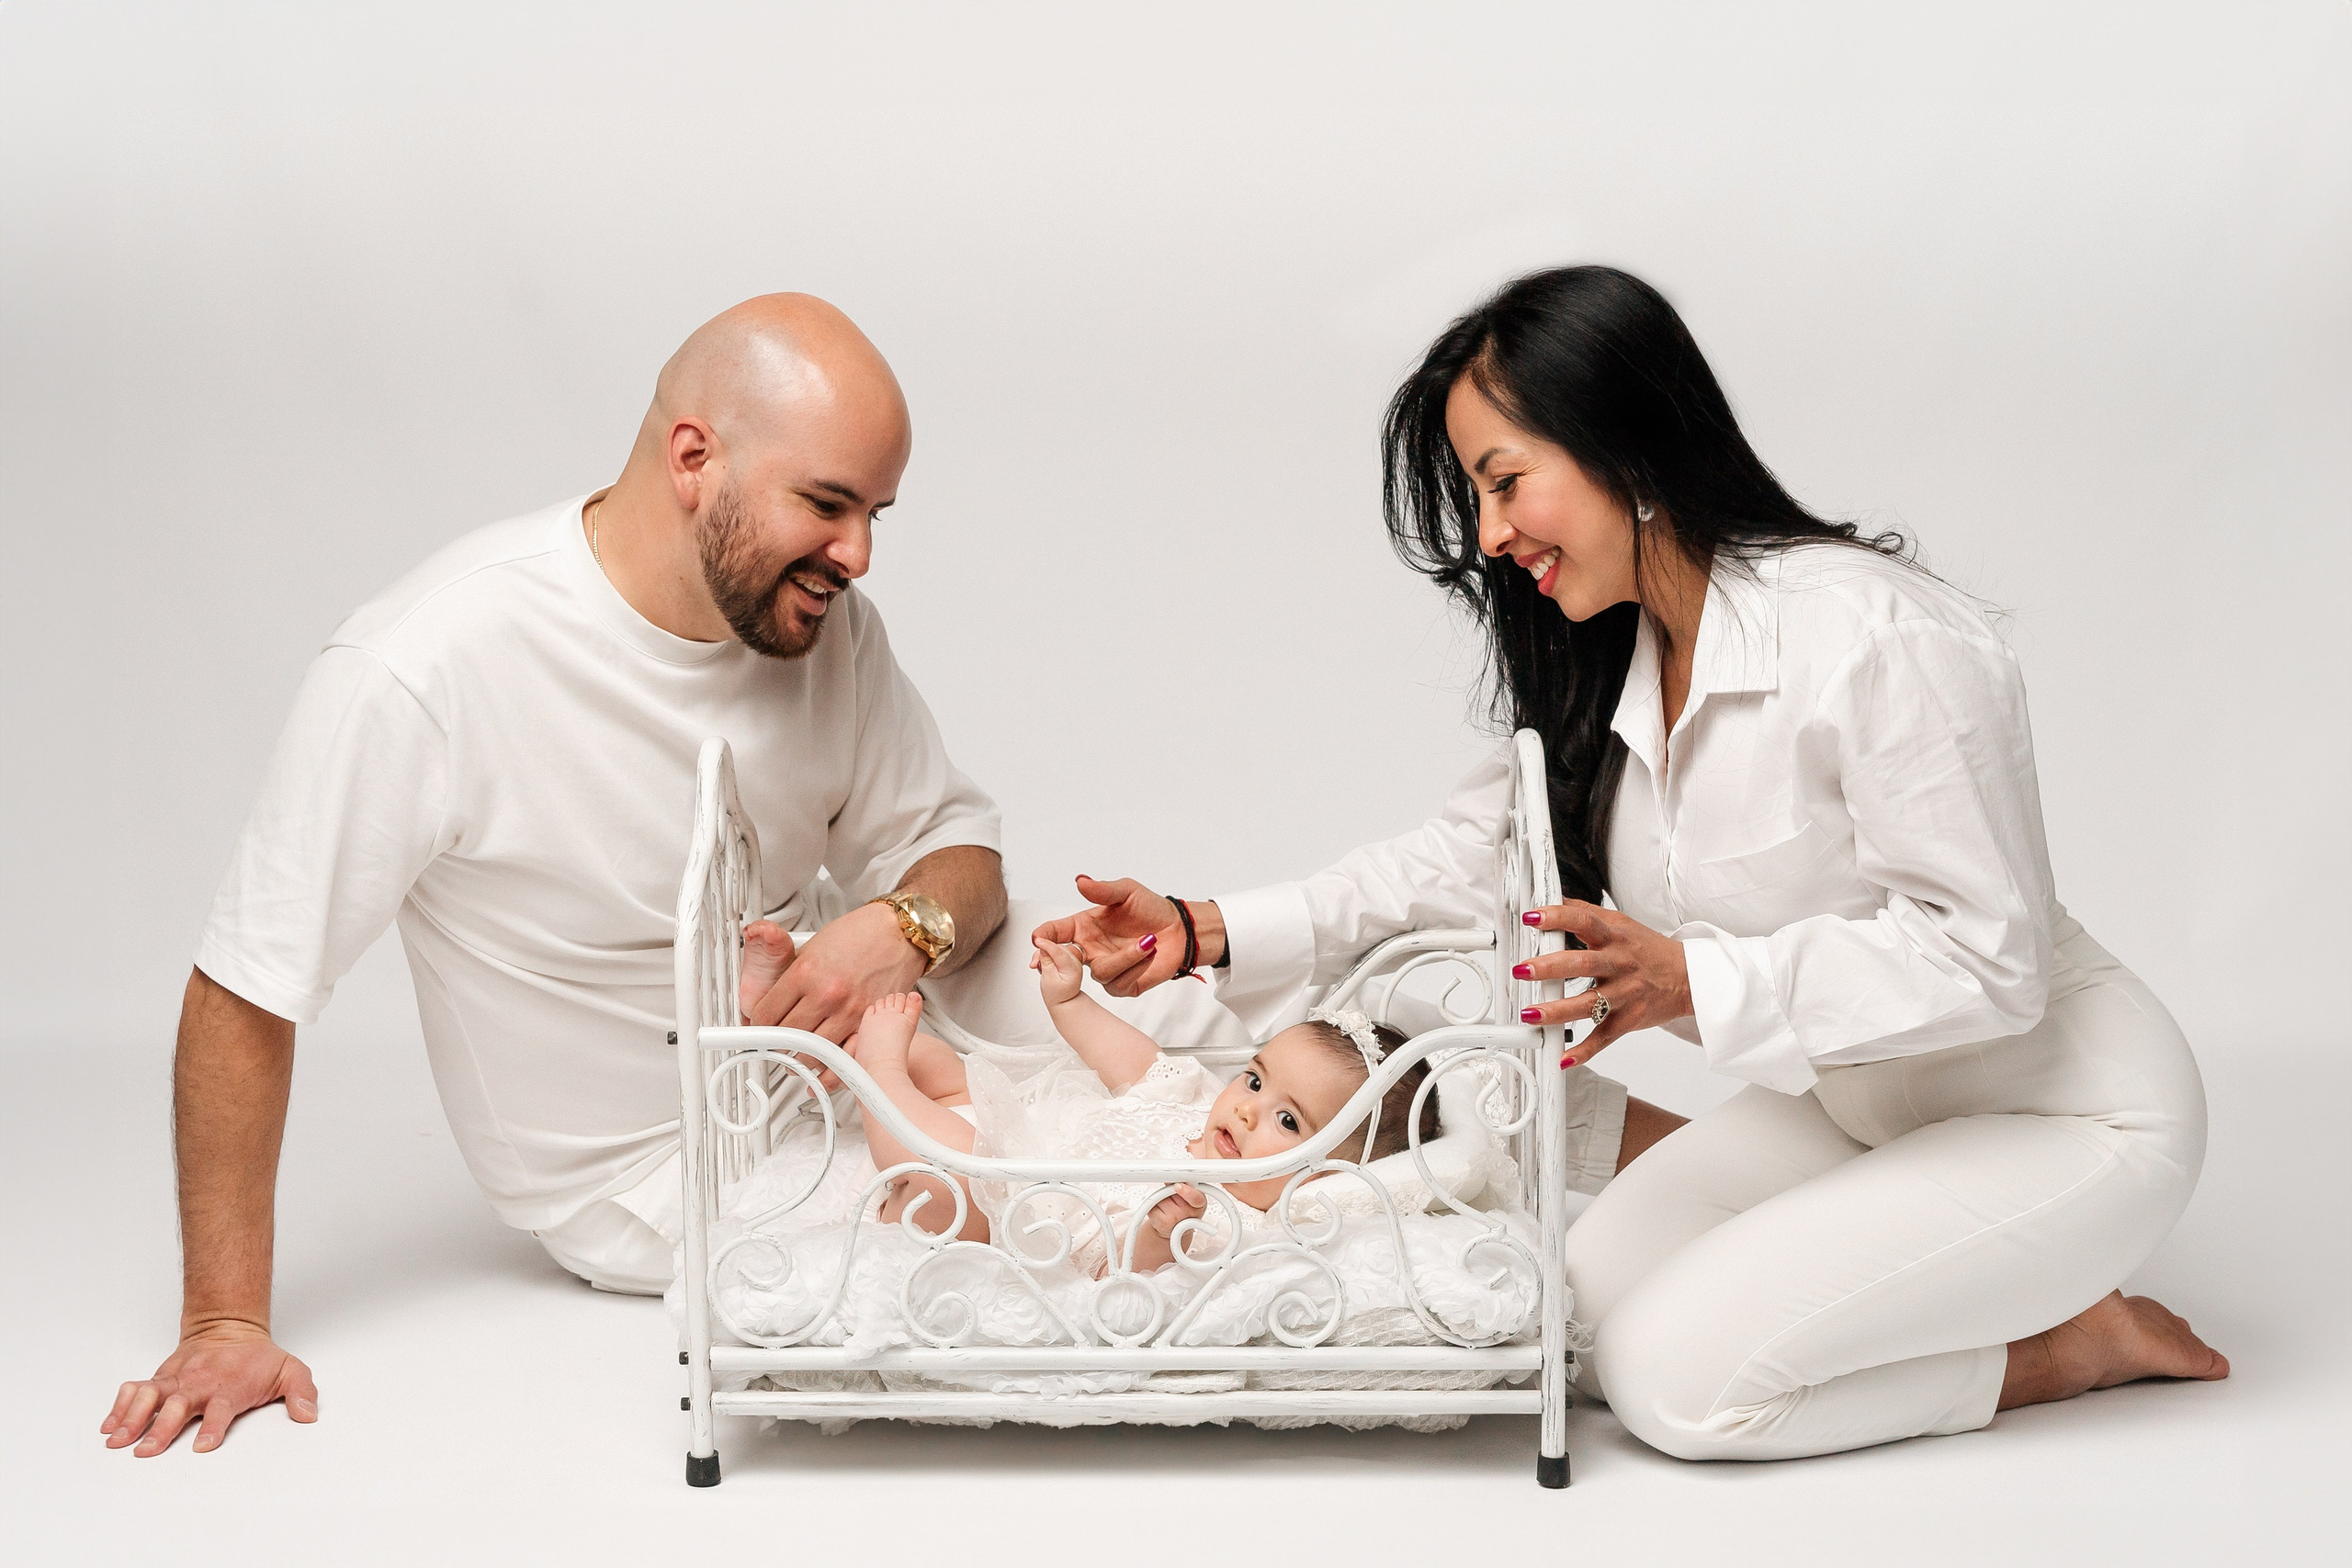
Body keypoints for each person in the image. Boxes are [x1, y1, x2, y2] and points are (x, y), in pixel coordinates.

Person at [1044, 265, 2227, 1461]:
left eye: (1506, 482)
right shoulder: (1615, 665)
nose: (1493, 535)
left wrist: (1687, 979)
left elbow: (1993, 957)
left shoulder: (1877, 637)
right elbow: (1463, 853)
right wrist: (1200, 927)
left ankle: (2069, 1344)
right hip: (1869, 1109)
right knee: (1580, 1306)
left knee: (1675, 1383)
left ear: (1622, 442)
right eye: (1477, 496)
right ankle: (1948, 1286)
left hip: (2070, 1110)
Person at [102, 295, 1010, 1459]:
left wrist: (904, 925)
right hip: (661, 1173)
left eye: (875, 514)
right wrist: (225, 1319)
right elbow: (246, 984)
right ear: (694, 458)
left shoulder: (825, 626)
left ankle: (1293, 1154)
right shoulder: (425, 665)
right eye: (827, 505)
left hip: (852, 1047)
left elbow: (967, 860)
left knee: (1119, 989)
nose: (860, 555)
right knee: (1074, 1182)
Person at [754, 929, 1437, 1279]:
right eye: (1255, 1080)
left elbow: (1132, 1282)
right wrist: (1070, 1001)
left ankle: (875, 1074)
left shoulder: (1234, 1220)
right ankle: (778, 1013)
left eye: (1289, 1121)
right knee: (948, 1069)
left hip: (994, 1219)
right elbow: (1133, 1058)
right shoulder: (1195, 1099)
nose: (1249, 1109)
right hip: (1019, 1140)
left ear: (1322, 1177)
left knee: (949, 1166)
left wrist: (1160, 1232)